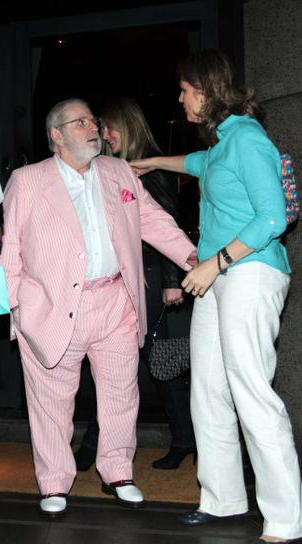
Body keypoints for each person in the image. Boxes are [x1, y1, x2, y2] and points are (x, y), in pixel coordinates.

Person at [130, 50, 302, 544]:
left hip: (248, 272)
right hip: (219, 277)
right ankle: (224, 497)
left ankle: (286, 519)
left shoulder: (249, 139)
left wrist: (217, 262)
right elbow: (200, 164)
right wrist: (150, 162)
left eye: (185, 89)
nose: (180, 97)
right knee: (208, 389)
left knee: (252, 390)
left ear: (205, 91)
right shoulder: (225, 141)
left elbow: (274, 217)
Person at [0, 98, 197, 517]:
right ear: (56, 136)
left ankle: (118, 472)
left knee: (121, 393)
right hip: (51, 308)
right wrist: (17, 308)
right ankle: (54, 481)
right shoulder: (27, 180)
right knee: (51, 401)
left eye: (93, 119)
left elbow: (154, 221)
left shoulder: (118, 171)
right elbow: (11, 247)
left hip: (115, 302)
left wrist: (193, 259)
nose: (93, 127)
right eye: (80, 122)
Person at [73, 97, 196, 472]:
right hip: (137, 277)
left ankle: (99, 446)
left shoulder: (147, 170)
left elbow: (164, 225)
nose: (104, 136)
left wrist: (172, 282)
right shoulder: (119, 168)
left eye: (108, 128)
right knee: (146, 365)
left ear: (126, 127)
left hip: (149, 279)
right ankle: (182, 440)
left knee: (137, 366)